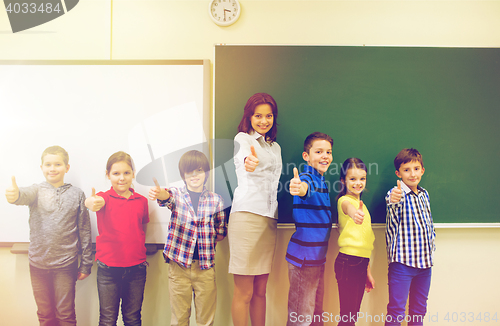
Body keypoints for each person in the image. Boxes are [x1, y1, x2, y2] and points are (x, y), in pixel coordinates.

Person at [5, 145, 92, 326]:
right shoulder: (35, 190)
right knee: (45, 315)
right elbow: (22, 195)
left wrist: (86, 264)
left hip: (66, 264)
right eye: (48, 164)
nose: (53, 168)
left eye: (58, 164)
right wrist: (15, 195)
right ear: (42, 168)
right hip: (38, 264)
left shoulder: (77, 194)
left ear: (67, 168)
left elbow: (84, 230)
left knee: (66, 315)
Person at [149, 150, 226, 326]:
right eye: (189, 171)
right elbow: (166, 197)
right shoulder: (177, 195)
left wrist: (205, 236)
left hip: (205, 268)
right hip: (179, 268)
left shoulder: (216, 201)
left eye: (199, 170)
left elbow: (220, 232)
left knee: (205, 321)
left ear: (206, 172)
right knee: (179, 320)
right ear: (183, 174)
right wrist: (160, 193)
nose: (194, 175)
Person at [228, 93, 282, 326]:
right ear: (249, 116)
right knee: (245, 292)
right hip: (247, 217)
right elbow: (244, 161)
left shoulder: (275, 147)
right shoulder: (243, 140)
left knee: (261, 290)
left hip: (269, 219)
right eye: (258, 115)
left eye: (268, 116)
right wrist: (250, 164)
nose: (263, 121)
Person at [85, 151, 149, 326]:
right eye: (116, 173)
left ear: (133, 174)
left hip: (136, 269)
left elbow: (143, 228)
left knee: (133, 318)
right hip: (108, 269)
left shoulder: (141, 201)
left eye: (126, 173)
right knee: (107, 319)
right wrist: (90, 202)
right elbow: (91, 202)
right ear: (108, 175)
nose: (122, 178)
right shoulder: (103, 198)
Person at [286, 132, 334, 326]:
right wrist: (300, 188)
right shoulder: (307, 178)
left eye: (329, 152)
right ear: (306, 156)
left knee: (315, 313)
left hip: (317, 257)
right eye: (319, 151)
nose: (325, 156)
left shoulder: (321, 179)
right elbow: (305, 189)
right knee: (301, 315)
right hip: (304, 259)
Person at [385, 148, 436, 326]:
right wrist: (395, 197)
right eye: (406, 170)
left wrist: (432, 249)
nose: (412, 174)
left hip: (425, 264)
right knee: (397, 310)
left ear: (422, 170)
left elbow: (429, 225)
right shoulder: (395, 194)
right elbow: (392, 203)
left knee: (419, 310)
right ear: (398, 174)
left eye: (416, 169)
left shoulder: (424, 194)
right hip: (403, 264)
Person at [334, 158, 375, 326]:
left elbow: (363, 243)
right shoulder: (345, 201)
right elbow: (348, 209)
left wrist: (367, 271)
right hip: (348, 263)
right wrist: (354, 214)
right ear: (343, 181)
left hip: (360, 263)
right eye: (352, 179)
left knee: (352, 316)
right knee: (348, 317)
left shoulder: (362, 205)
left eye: (362, 179)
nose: (358, 183)